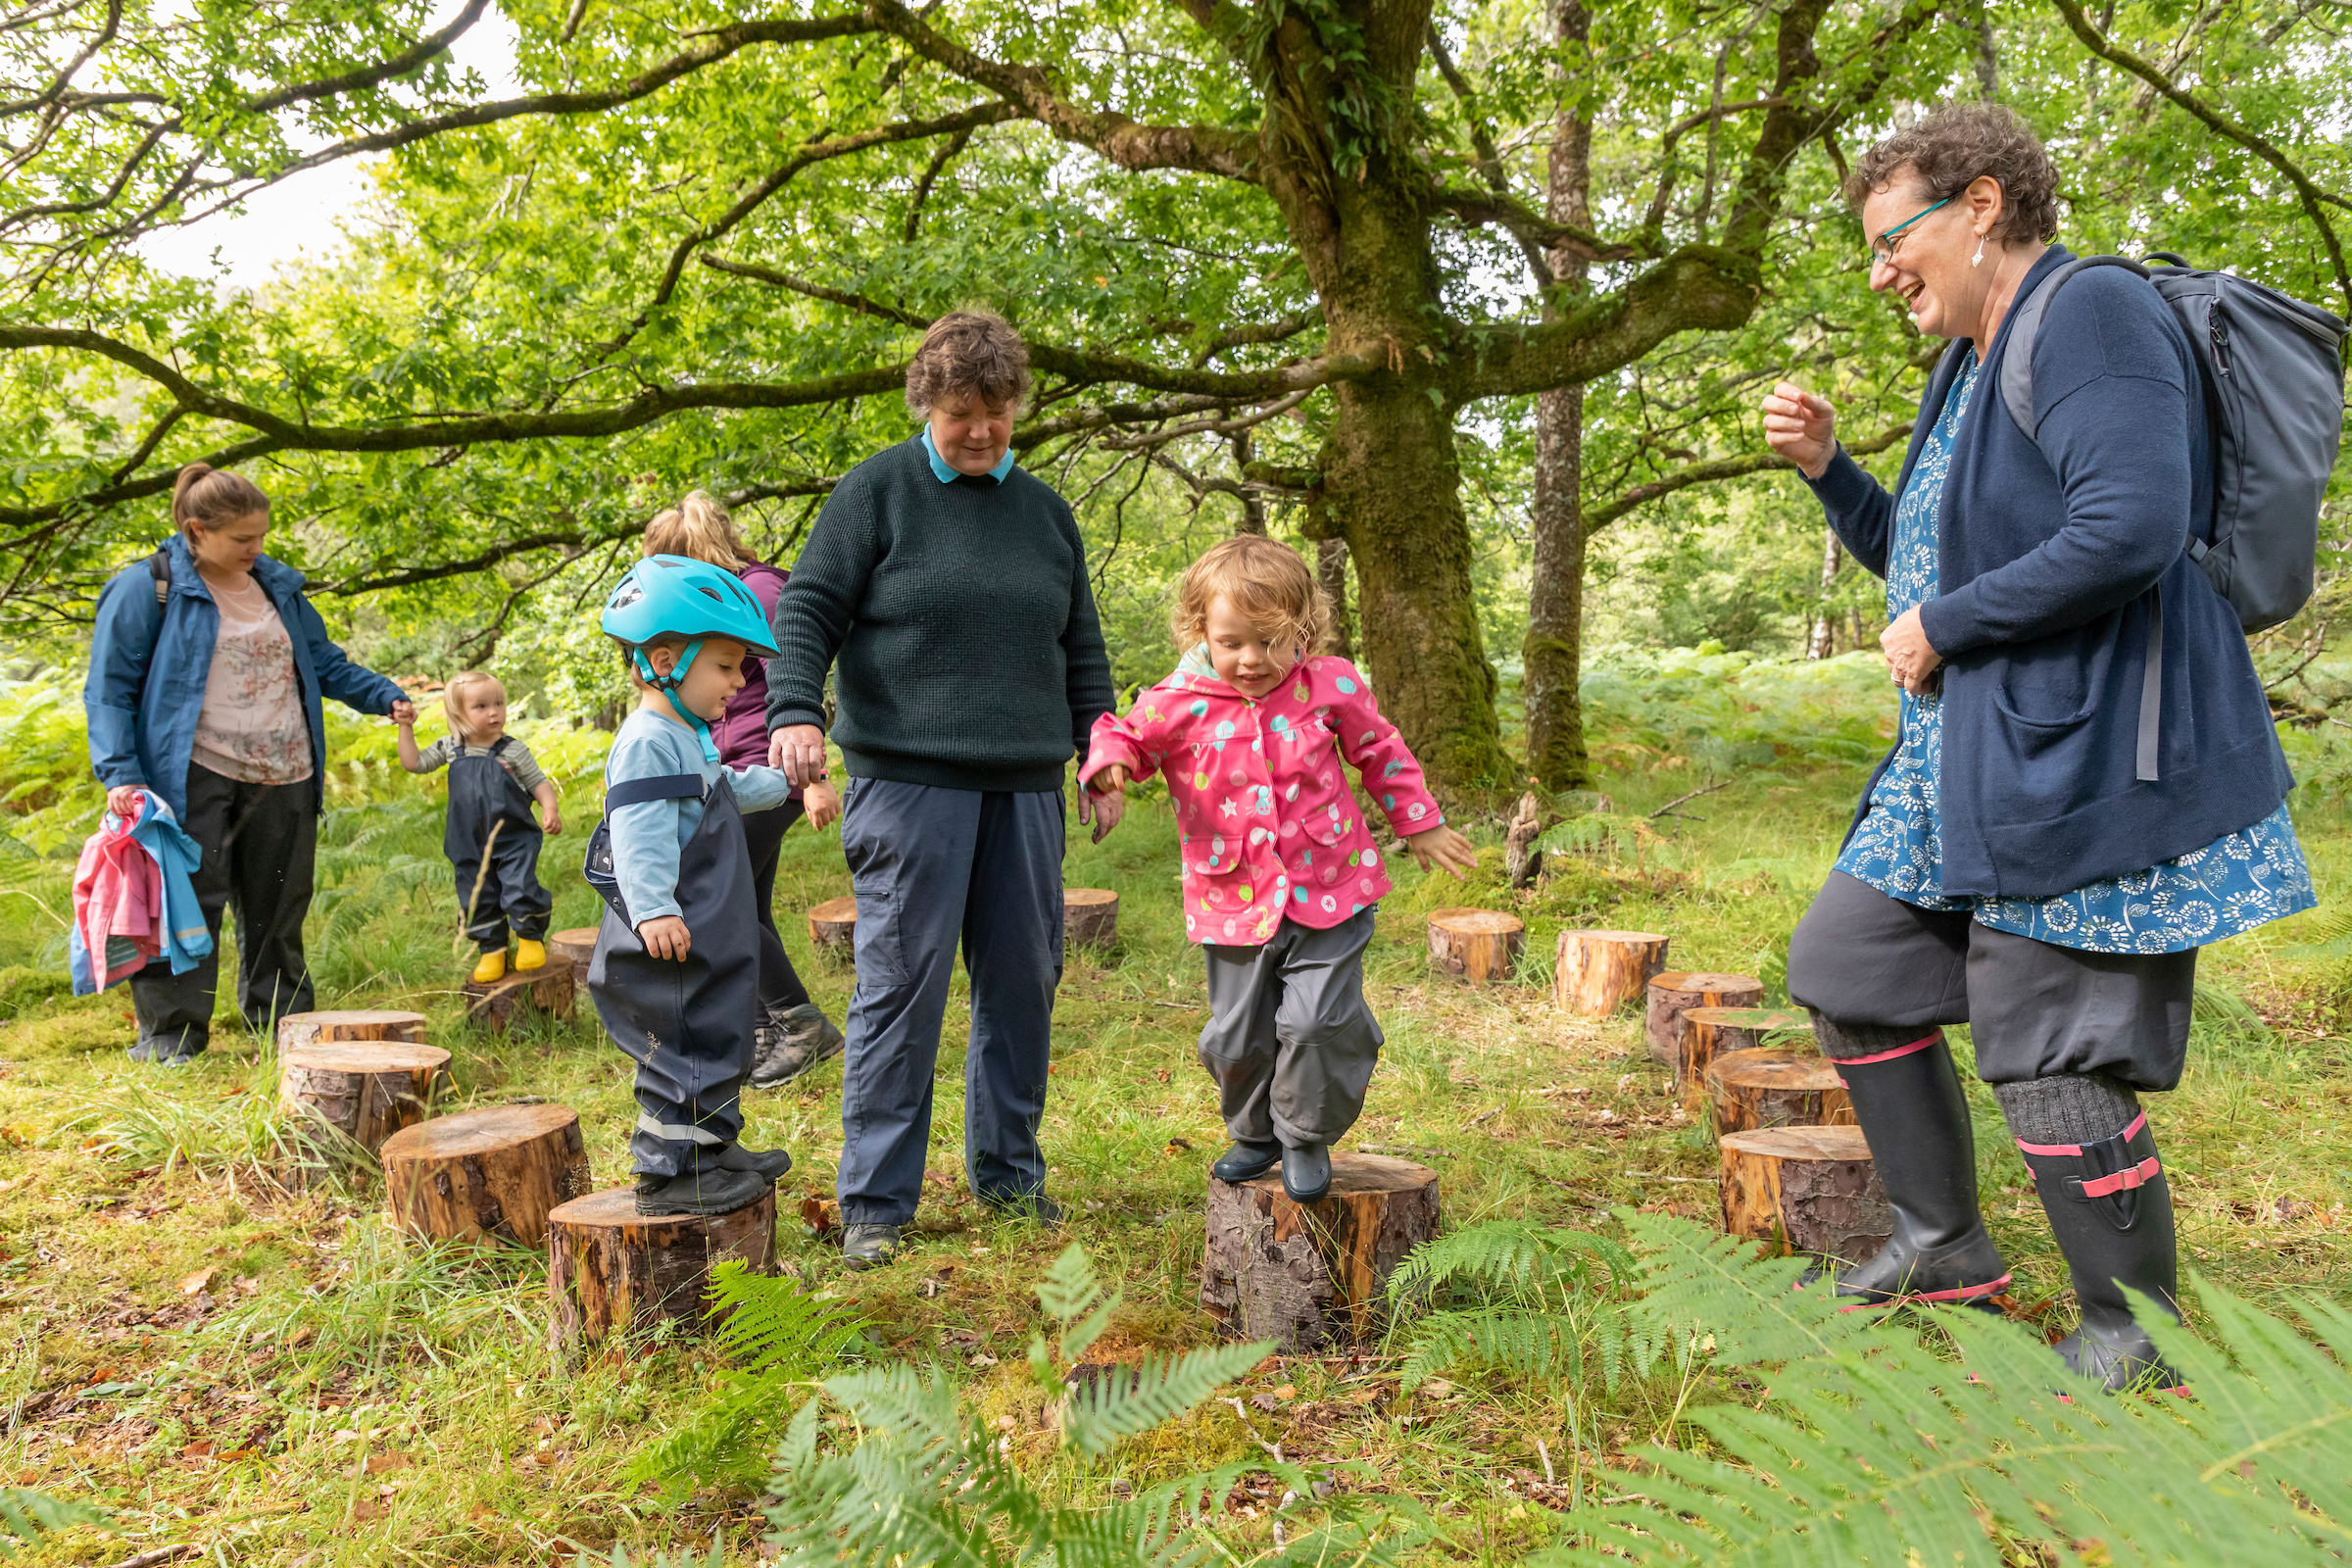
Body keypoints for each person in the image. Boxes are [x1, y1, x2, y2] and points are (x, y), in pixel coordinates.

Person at [1761, 103, 2314, 1390]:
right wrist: (1837, 474)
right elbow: (1929, 554)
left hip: (2087, 747)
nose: (1883, 267)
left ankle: (2136, 1331)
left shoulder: (2092, 318)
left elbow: (2132, 526)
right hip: (1973, 754)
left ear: (1984, 205)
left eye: (1894, 239)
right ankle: (1943, 1243)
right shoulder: (1969, 357)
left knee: (2050, 1043)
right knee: (1848, 966)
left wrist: (1946, 626)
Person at [765, 309, 1116, 1270]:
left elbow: (1079, 643)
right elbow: (807, 608)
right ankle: (877, 1201)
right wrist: (795, 707)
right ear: (928, 403)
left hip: (1024, 788)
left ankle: (1010, 1177)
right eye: (962, 411)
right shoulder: (877, 493)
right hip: (908, 781)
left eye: (997, 412)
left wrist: (1101, 748)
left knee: (1022, 984)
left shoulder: (1045, 515)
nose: (980, 431)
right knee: (901, 988)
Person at [1080, 537, 1477, 1200]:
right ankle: (1255, 1132)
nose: (1253, 660)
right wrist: (1110, 770)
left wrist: (1420, 821)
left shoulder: (1330, 683)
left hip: (1331, 886)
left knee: (1314, 1023)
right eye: (1233, 642)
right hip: (1231, 897)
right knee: (1236, 1038)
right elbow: (1124, 734)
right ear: (1200, 630)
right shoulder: (1179, 699)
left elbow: (1380, 749)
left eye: (1272, 641)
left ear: (1304, 629)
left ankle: (1303, 1132)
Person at [85, 464, 416, 1064]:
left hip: (286, 769)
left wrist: (383, 694)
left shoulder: (275, 587)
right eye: (243, 539)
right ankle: (171, 1038)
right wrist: (121, 772)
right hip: (191, 771)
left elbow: (324, 662)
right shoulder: (147, 588)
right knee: (188, 903)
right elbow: (110, 690)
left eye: (261, 536)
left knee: (278, 904)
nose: (256, 549)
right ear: (196, 530)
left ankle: (283, 1026)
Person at [587, 555, 799, 1217]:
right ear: (665, 658)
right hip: (667, 935)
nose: (739, 682)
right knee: (681, 1052)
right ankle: (671, 1172)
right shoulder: (649, 740)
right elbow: (639, 833)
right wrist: (650, 910)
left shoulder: (687, 735)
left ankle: (712, 1148)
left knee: (719, 1038)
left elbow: (722, 789)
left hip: (705, 929)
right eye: (727, 666)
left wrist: (782, 779)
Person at [640, 492, 844, 1085]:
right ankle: (764, 1029)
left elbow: (797, 683)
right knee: (747, 903)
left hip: (769, 772)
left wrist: (817, 777)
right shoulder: (719, 603)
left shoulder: (761, 593)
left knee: (716, 905)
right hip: (733, 774)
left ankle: (802, 1025)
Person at [397, 670, 562, 983]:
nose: (494, 712)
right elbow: (413, 763)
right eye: (481, 706)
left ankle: (529, 938)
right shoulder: (450, 747)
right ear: (458, 713)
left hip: (514, 839)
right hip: (467, 841)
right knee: (476, 895)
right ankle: (492, 949)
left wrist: (549, 808)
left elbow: (538, 782)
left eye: (498, 703)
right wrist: (406, 727)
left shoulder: (513, 750)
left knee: (519, 886)